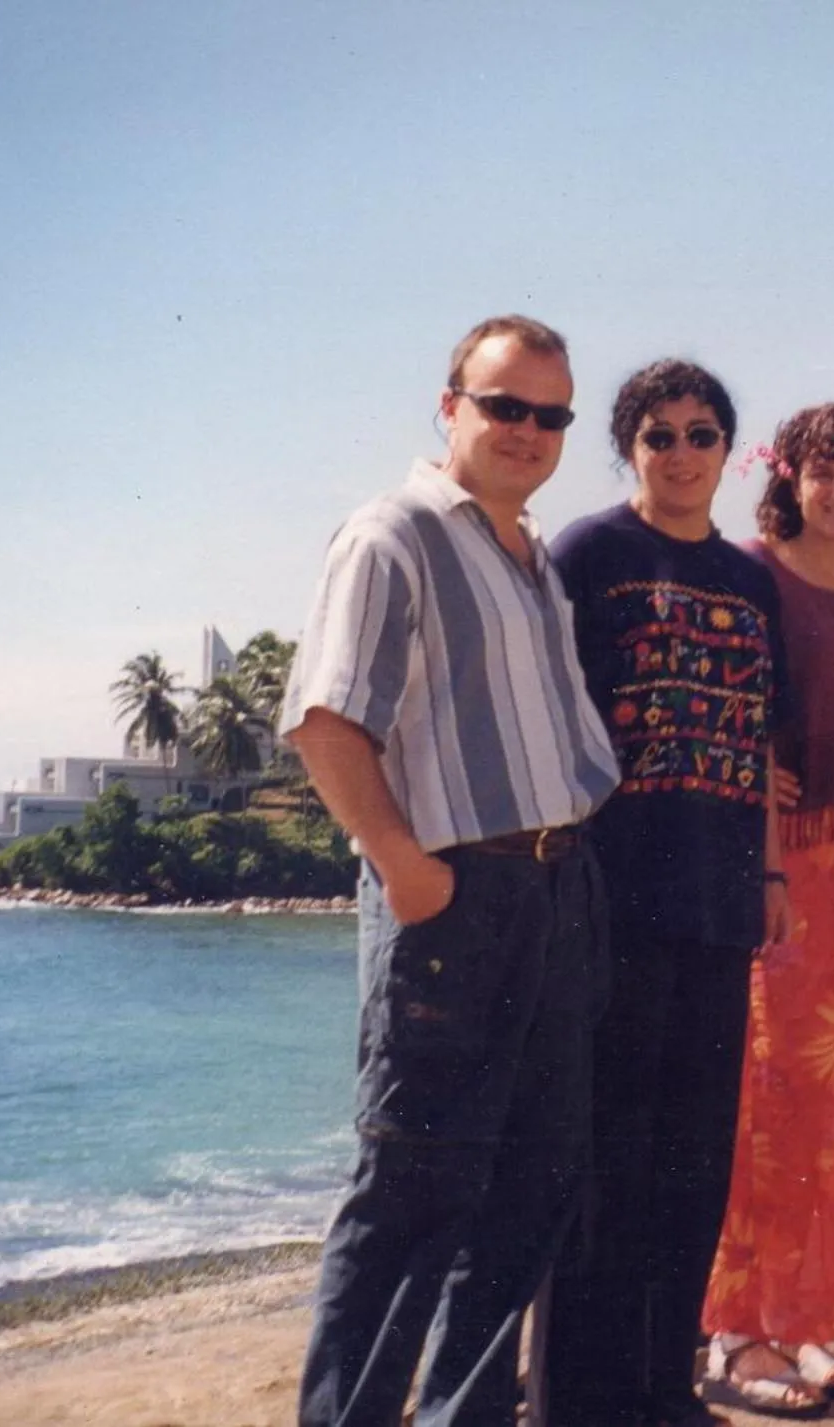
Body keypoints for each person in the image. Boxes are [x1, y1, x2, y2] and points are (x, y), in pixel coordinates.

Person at [279, 314, 620, 1427]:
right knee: (414, 1189)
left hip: (556, 889)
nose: (527, 428)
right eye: (503, 404)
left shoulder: (527, 556)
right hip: (454, 899)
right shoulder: (396, 533)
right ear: (450, 406)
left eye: (549, 412)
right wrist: (405, 869)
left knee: (530, 1188)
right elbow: (327, 722)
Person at [536, 358, 789, 1427]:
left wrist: (772, 869)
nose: (680, 452)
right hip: (613, 893)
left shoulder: (750, 577)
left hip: (722, 895)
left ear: (728, 450)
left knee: (691, 1159)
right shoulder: (589, 552)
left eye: (700, 433)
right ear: (628, 447)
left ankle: (662, 1389)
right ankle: (575, 1402)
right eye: (658, 434)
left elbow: (764, 736)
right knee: (604, 1160)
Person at [698, 402, 834, 1416]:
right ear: (785, 478)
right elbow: (720, 706)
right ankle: (737, 1339)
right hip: (783, 871)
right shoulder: (752, 572)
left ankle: (807, 1325)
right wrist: (754, 792)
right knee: (766, 1107)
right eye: (822, 472)